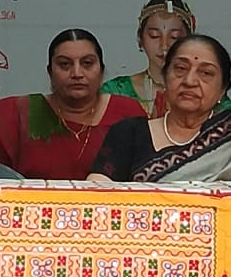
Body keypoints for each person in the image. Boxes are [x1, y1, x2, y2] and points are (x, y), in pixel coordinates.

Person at [0, 29, 146, 179]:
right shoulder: (17, 115)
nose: (77, 73)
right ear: (50, 72)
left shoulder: (127, 113)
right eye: (65, 64)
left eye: (87, 63)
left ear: (102, 71)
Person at [89, 34, 231, 183]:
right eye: (181, 68)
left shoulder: (227, 138)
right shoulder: (128, 133)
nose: (189, 81)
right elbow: (97, 187)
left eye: (206, 73)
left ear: (222, 89)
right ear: (165, 77)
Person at [102, 0, 216, 118]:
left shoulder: (208, 93)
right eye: (154, 36)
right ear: (140, 39)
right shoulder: (115, 91)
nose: (164, 46)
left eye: (174, 37)